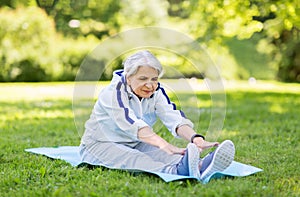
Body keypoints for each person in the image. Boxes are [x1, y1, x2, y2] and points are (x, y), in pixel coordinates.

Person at [79, 50, 235, 181]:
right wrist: (165, 145)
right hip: (99, 144)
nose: (150, 85)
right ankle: (176, 173)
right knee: (137, 158)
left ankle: (201, 166)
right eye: (143, 79)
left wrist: (196, 138)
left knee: (167, 154)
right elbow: (133, 125)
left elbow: (173, 117)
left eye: (154, 79)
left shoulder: (156, 92)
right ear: (128, 77)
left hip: (134, 141)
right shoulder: (113, 93)